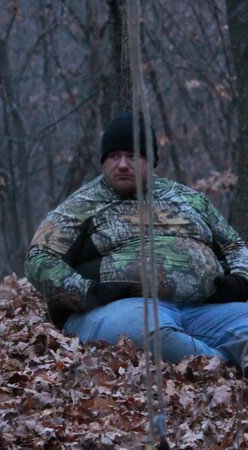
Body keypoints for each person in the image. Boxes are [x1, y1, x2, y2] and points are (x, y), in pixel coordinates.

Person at [26, 111, 248, 370]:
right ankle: (222, 368)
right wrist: (88, 293)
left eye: (132, 156)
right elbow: (39, 257)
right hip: (126, 310)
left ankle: (215, 363)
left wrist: (240, 282)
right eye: (114, 156)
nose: (122, 164)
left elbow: (234, 245)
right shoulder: (81, 205)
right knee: (151, 335)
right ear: (103, 162)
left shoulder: (191, 200)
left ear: (150, 161)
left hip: (201, 309)